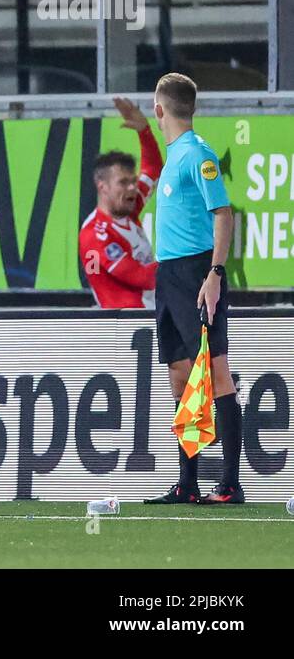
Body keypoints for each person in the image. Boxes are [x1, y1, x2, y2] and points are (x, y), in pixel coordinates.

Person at [142, 74, 242, 505]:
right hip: (169, 276)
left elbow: (224, 212)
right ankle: (188, 483)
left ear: (160, 109)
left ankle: (231, 484)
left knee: (215, 372)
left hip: (197, 273)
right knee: (180, 375)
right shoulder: (174, 157)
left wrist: (215, 274)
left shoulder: (198, 155)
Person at [79, 97, 162, 309]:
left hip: (151, 318)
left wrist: (144, 130)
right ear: (102, 186)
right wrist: (187, 265)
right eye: (123, 183)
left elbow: (152, 169)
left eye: (133, 181)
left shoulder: (129, 210)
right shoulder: (96, 235)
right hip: (126, 330)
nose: (133, 188)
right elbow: (142, 277)